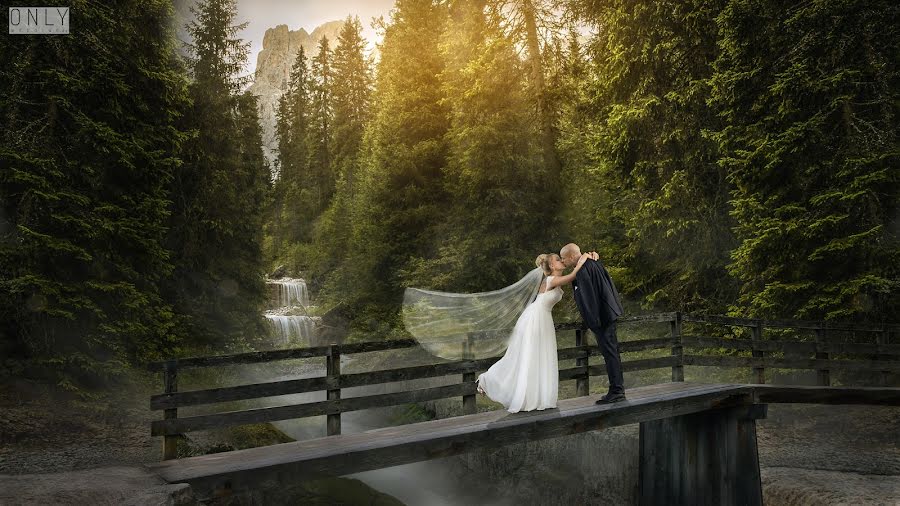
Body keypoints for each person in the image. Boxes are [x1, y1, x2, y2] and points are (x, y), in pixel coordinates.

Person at [475, 251, 597, 413]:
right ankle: (486, 380)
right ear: (552, 265)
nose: (561, 261)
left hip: (542, 319)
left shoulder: (553, 280)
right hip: (534, 319)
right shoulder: (552, 280)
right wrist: (584, 259)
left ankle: (537, 397)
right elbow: (573, 275)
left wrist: (587, 257)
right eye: (558, 260)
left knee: (538, 357)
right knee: (526, 356)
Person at [560, 243, 626, 403]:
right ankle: (617, 389)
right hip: (608, 314)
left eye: (563, 258)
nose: (563, 262)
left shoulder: (582, 270)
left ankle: (617, 391)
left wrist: (593, 322)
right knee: (612, 353)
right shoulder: (594, 262)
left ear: (570, 256)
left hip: (601, 318)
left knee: (610, 353)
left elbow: (589, 299)